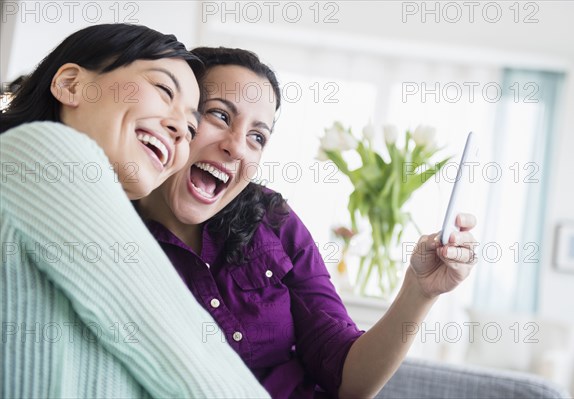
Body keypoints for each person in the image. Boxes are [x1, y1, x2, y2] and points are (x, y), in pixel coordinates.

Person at [137, 46, 478, 398]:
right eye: (220, 116)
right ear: (178, 115)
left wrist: (420, 291)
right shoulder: (116, 230)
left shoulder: (270, 218)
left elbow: (349, 377)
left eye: (257, 137)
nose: (237, 147)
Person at [1, 26, 268, 397]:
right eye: (163, 90)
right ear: (72, 84)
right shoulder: (44, 152)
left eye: (192, 126)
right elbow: (198, 366)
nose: (180, 129)